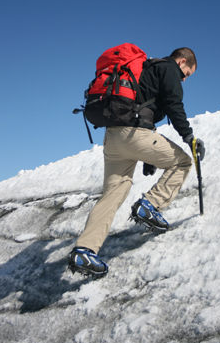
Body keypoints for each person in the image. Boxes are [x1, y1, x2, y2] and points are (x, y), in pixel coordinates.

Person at [68, 47, 205, 277]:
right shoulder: (168, 69)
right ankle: (149, 205)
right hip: (133, 134)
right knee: (182, 162)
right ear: (182, 62)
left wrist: (146, 157)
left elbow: (143, 105)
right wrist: (189, 138)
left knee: (113, 193)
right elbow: (174, 104)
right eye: (186, 74)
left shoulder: (147, 69)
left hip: (113, 136)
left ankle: (85, 250)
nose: (184, 79)